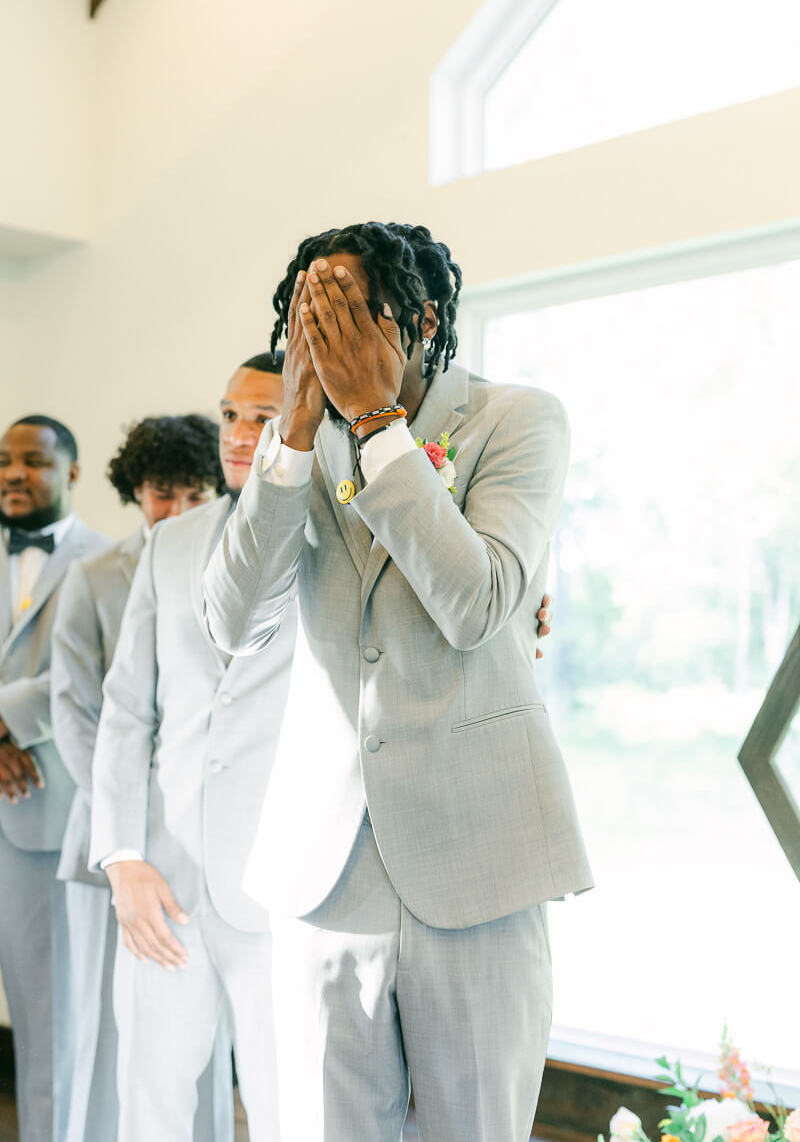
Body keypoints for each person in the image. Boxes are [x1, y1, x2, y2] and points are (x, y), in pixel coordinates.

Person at [203, 222, 593, 1142]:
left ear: (418, 320)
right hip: (324, 873)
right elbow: (232, 621)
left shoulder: (518, 419)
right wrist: (291, 435)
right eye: (310, 315)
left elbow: (476, 602)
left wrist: (380, 426)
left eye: (348, 311)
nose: (325, 337)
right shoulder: (295, 448)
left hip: (479, 862)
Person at [89, 354, 288, 1142]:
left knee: (286, 1111)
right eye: (231, 414)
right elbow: (125, 713)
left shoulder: (340, 543)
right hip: (161, 887)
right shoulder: (171, 547)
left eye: (264, 418)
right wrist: (121, 855)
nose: (239, 435)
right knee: (151, 1102)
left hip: (281, 889)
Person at [50, 413, 230, 1142]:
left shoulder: (233, 561)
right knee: (111, 1028)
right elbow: (80, 711)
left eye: (194, 495)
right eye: (162, 494)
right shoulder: (94, 576)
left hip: (209, 838)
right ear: (135, 491)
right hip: (114, 841)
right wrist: (128, 831)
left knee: (201, 1038)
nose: (178, 512)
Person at [0, 415, 108, 1142]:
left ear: (71, 472)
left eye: (33, 461)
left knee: (47, 1014)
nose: (12, 473)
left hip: (37, 809)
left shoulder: (107, 562)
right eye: (4, 461)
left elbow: (87, 675)